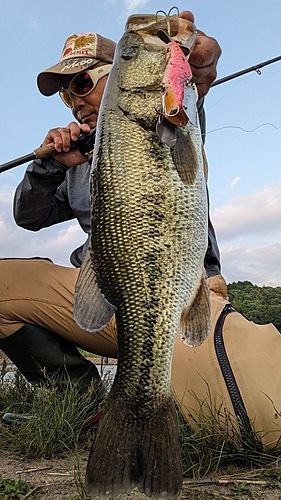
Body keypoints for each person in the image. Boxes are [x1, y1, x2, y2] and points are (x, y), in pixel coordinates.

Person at [0, 11, 225, 395]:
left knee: (256, 418)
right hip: (105, 302)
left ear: (117, 74)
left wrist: (196, 60)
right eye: (66, 93)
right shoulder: (75, 160)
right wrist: (49, 166)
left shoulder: (169, 116)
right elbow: (27, 217)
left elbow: (193, 80)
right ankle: (81, 397)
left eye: (83, 83)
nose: (74, 101)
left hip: (181, 300)